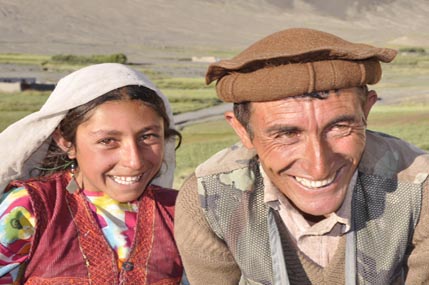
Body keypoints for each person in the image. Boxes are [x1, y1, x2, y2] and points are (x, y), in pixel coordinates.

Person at [174, 28, 429, 284]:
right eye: (286, 134)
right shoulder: (209, 200)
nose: (319, 166)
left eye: (339, 127)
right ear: (242, 131)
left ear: (367, 111)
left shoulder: (420, 193)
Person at [0, 63, 184, 284]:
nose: (134, 161)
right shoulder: (31, 209)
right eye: (108, 141)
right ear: (67, 142)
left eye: (147, 137)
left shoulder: (181, 213)